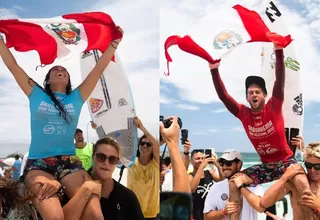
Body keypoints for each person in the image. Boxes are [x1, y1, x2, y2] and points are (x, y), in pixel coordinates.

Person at [0, 27, 123, 220]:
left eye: (64, 70)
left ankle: (83, 191)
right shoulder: (36, 93)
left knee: (95, 216)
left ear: (68, 80)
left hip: (69, 162)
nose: (60, 71)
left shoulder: (76, 97)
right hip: (39, 164)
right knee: (54, 217)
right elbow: (13, 66)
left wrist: (114, 44)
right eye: (55, 70)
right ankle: (84, 191)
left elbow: (98, 70)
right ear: (47, 80)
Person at [208, 43, 312, 219]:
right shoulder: (243, 113)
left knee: (302, 182)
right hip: (266, 166)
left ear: (264, 95)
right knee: (234, 181)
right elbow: (223, 97)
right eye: (250, 92)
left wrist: (279, 51)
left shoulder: (274, 105)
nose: (254, 94)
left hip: (286, 161)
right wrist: (214, 69)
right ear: (247, 97)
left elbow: (280, 81)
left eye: (257, 92)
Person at [86, 137, 145, 220]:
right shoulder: (77, 188)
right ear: (93, 157)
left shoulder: (127, 197)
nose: (106, 163)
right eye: (101, 157)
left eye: (112, 159)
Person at [258, 142, 320, 219]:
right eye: (309, 165)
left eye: (317, 166)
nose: (312, 170)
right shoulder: (296, 183)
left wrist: (318, 206)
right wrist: (284, 177)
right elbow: (264, 202)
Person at [203, 149, 264, 220]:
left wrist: (241, 187)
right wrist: (223, 212)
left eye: (228, 163)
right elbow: (206, 217)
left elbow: (261, 207)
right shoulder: (216, 187)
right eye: (222, 163)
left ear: (239, 164)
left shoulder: (254, 186)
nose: (224, 167)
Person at [127, 116, 160, 220]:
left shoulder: (155, 164)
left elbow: (156, 145)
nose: (145, 146)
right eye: (142, 143)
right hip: (133, 210)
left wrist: (141, 127)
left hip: (151, 212)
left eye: (148, 144)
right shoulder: (130, 162)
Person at [189, 148, 224, 220]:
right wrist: (201, 167)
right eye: (197, 158)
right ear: (191, 161)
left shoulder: (209, 173)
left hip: (210, 213)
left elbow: (222, 180)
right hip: (197, 214)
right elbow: (192, 189)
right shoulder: (190, 176)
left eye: (202, 158)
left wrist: (218, 165)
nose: (201, 161)